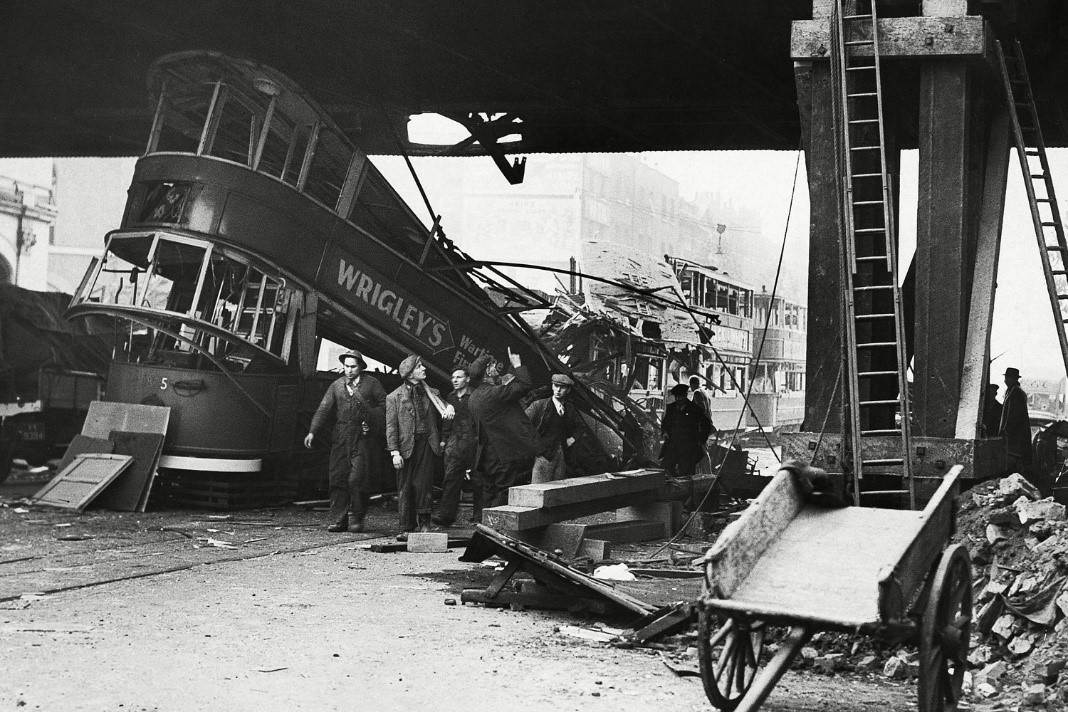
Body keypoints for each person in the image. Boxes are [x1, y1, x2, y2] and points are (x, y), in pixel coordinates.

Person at [305, 351, 386, 533]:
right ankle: (339, 520)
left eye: (353, 367)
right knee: (338, 477)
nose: (349, 370)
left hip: (363, 436)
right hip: (341, 435)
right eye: (346, 366)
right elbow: (324, 408)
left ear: (361, 367)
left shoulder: (372, 384)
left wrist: (371, 421)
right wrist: (312, 431)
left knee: (357, 478)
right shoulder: (337, 385)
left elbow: (384, 405)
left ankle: (357, 516)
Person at [467, 348, 539, 521]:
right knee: (504, 491)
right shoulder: (495, 393)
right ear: (488, 371)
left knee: (489, 491)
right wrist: (518, 365)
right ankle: (496, 528)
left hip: (485, 456)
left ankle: (484, 526)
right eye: (493, 366)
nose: (496, 369)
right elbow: (525, 386)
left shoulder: (473, 398)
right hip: (503, 454)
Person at [386, 355, 448, 539]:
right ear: (410, 373)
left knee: (424, 485)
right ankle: (406, 527)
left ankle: (425, 524)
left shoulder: (432, 393)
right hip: (405, 447)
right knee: (405, 487)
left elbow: (444, 409)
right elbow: (391, 427)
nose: (424, 368)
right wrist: (394, 452)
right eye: (419, 366)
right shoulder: (394, 397)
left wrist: (450, 407)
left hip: (426, 444)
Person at [432, 367, 478, 527]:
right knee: (451, 478)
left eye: (459, 377)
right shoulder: (450, 397)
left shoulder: (474, 396)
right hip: (455, 443)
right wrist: (444, 440)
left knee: (478, 480)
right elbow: (447, 421)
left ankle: (479, 516)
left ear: (467, 379)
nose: (455, 380)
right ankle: (446, 515)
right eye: (453, 377)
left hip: (473, 442)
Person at [525, 374, 581, 483]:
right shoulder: (539, 405)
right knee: (538, 489)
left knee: (557, 489)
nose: (558, 390)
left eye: (562, 387)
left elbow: (580, 426)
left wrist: (572, 439)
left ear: (568, 390)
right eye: (556, 386)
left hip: (562, 457)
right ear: (552, 386)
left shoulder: (569, 408)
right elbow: (523, 425)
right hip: (543, 457)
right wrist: (534, 446)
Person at [660, 382, 712, 479]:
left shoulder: (694, 409)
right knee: (665, 468)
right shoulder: (671, 408)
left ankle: (685, 487)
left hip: (688, 448)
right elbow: (665, 423)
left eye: (680, 397)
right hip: (672, 445)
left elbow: (706, 425)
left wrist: (700, 440)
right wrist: (664, 432)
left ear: (685, 395)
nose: (678, 399)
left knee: (686, 473)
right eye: (676, 397)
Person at [999, 366, 1035, 485]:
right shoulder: (1012, 391)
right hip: (1014, 438)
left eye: (1008, 377)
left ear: (1014, 379)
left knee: (1014, 466)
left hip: (1015, 438)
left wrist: (1006, 431)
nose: (1005, 380)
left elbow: (1014, 415)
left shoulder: (1016, 392)